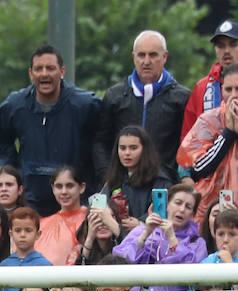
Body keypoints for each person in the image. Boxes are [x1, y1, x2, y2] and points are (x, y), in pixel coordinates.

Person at [0, 44, 100, 215]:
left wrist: (95, 187)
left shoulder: (86, 105)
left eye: (50, 68)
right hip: (30, 197)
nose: (44, 74)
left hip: (75, 199)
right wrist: (14, 175)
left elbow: (104, 144)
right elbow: (0, 141)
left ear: (62, 71)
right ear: (31, 73)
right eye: (38, 69)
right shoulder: (15, 105)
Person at [93, 30, 189, 185]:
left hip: (165, 187)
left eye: (153, 55)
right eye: (141, 55)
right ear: (133, 57)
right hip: (122, 186)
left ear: (165, 57)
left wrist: (179, 183)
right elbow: (101, 142)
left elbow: (187, 146)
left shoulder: (181, 98)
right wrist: (107, 178)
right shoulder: (114, 96)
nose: (146, 61)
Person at [177, 63, 238, 220]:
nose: (233, 95)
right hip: (212, 210)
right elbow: (199, 168)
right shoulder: (208, 120)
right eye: (228, 89)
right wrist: (228, 133)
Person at [183, 21, 238, 137]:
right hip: (211, 153)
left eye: (233, 44)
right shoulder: (201, 88)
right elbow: (188, 140)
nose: (226, 51)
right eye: (221, 46)